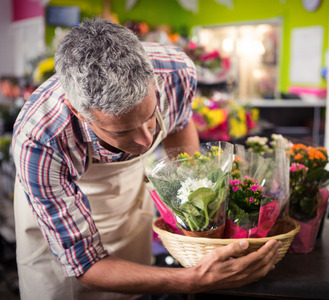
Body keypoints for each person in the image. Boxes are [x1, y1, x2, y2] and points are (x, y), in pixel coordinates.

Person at [11, 18, 281, 300]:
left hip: (127, 205)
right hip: (59, 232)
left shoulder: (174, 71)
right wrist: (191, 280)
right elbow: (85, 265)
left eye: (151, 116)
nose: (146, 141)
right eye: (123, 130)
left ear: (154, 80)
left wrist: (196, 203)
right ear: (79, 112)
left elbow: (178, 123)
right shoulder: (39, 138)